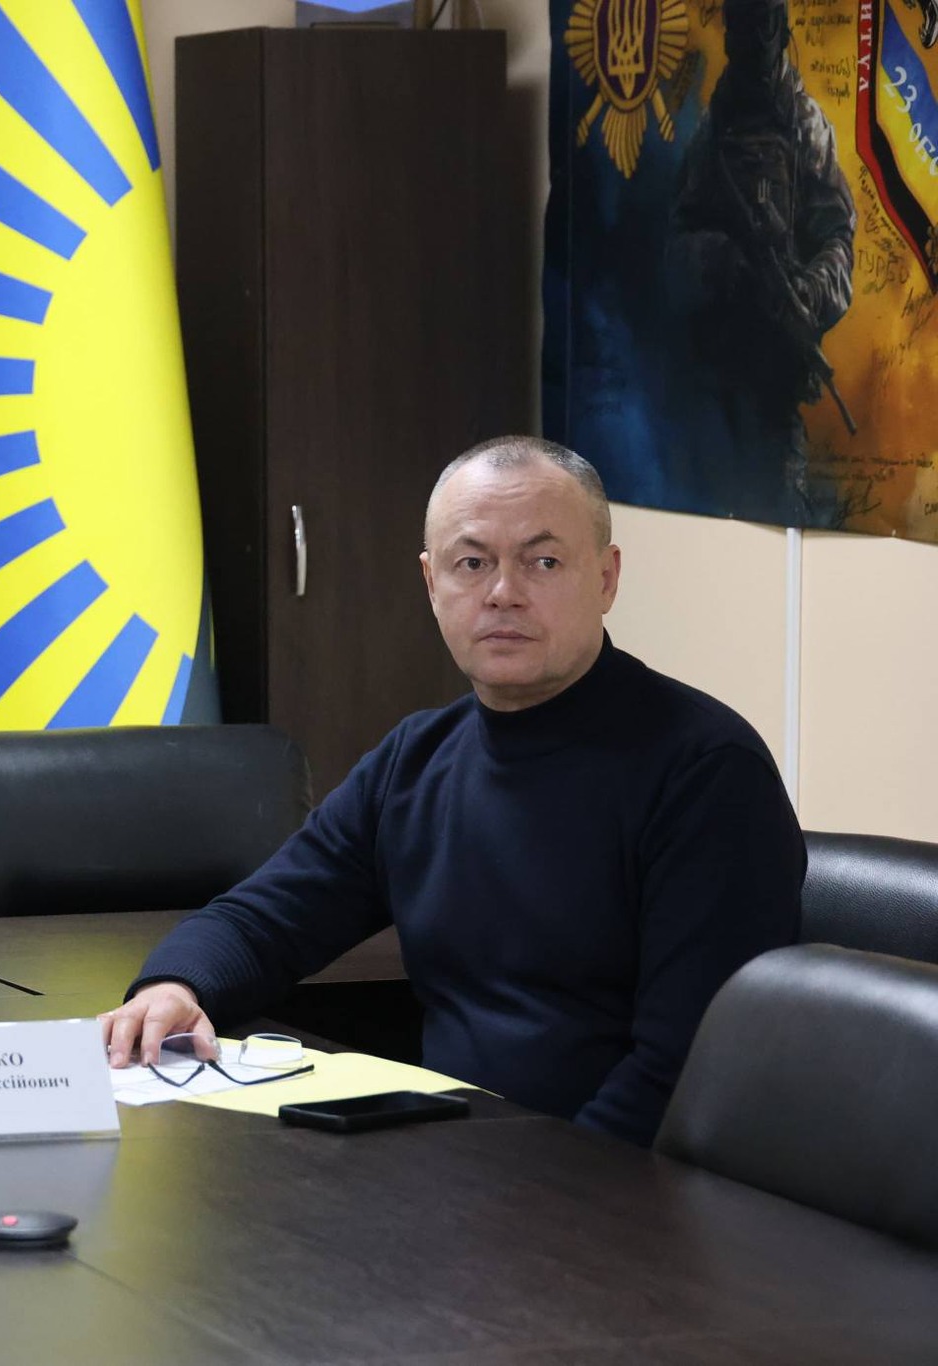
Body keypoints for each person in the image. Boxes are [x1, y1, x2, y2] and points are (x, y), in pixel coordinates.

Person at [100, 436, 803, 1146]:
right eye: (472, 563)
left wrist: (557, 1200)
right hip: (454, 1157)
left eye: (543, 562)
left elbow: (684, 1068)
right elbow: (265, 920)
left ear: (606, 578)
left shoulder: (706, 770)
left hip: (610, 1184)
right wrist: (175, 987)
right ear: (432, 583)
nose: (503, 592)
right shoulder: (418, 758)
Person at [668, 0, 855, 512]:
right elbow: (677, 242)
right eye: (741, 26)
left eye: (761, 26)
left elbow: (838, 240)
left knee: (780, 511)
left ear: (780, 30)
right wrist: (721, 261)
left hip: (775, 380)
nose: (749, 40)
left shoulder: (806, 127)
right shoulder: (713, 130)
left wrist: (810, 292)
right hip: (714, 380)